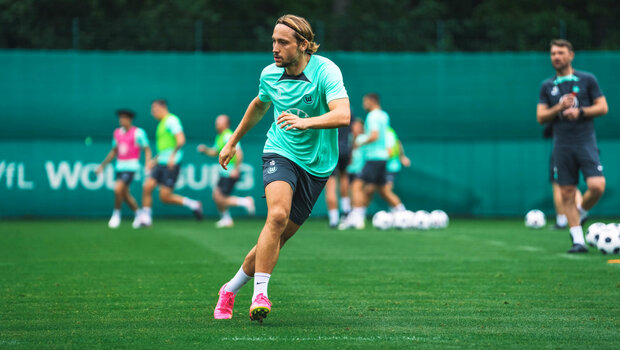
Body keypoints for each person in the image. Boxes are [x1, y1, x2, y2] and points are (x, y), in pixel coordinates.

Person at [212, 14, 350, 322]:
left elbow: (343, 115)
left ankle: (229, 289)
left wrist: (306, 121)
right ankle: (260, 293)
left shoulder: (326, 71)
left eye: (282, 42)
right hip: (280, 151)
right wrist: (232, 142)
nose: (275, 48)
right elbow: (259, 105)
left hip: (317, 165)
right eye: (273, 41)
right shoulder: (269, 74)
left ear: (303, 45)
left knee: (278, 235)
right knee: (276, 216)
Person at [536, 39, 608, 253]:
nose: (556, 57)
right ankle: (578, 240)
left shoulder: (587, 79)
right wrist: (558, 107)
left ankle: (581, 212)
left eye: (560, 53)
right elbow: (541, 116)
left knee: (597, 186)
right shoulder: (547, 86)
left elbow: (603, 107)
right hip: (562, 145)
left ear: (571, 55)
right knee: (566, 192)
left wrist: (581, 111)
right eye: (553, 53)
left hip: (585, 142)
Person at [137, 99, 203, 227]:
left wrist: (172, 157)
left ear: (162, 108)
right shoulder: (161, 124)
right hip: (161, 162)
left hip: (172, 163)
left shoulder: (172, 120)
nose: (152, 112)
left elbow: (181, 140)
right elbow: (164, 149)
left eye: (154, 109)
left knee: (165, 197)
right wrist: (153, 161)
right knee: (147, 186)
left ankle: (194, 204)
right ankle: (146, 218)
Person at [345, 93, 406, 229]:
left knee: (356, 185)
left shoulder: (372, 116)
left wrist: (360, 140)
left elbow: (374, 136)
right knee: (383, 190)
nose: (363, 104)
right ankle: (403, 214)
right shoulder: (384, 115)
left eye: (365, 101)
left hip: (374, 158)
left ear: (372, 101)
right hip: (383, 158)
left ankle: (356, 218)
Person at [96, 109, 151, 229]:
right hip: (119, 167)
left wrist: (147, 164)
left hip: (131, 167)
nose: (121, 120)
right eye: (120, 118)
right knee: (124, 194)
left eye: (124, 118)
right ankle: (138, 214)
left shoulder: (138, 132)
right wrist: (102, 166)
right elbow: (114, 151)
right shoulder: (117, 133)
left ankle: (116, 215)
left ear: (130, 119)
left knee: (117, 189)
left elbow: (146, 148)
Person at [197, 114, 255, 228]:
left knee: (220, 198)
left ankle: (246, 202)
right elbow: (215, 152)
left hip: (230, 171)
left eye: (219, 122)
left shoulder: (228, 135)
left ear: (226, 124)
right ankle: (226, 219)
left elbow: (239, 152)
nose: (216, 124)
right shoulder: (220, 136)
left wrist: (237, 169)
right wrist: (205, 150)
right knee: (216, 196)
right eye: (216, 122)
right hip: (224, 172)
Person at [544, 126, 583, 229]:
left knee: (558, 185)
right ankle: (581, 213)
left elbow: (546, 132)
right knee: (571, 185)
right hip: (581, 148)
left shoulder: (559, 113)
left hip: (562, 151)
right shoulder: (580, 112)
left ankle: (561, 221)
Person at [325, 109, 354, 228]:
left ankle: (333, 220)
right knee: (344, 177)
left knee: (330, 185)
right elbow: (356, 130)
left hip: (331, 151)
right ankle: (346, 210)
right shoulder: (346, 109)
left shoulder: (324, 110)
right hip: (344, 150)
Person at [384, 126, 411, 203]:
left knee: (386, 190)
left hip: (390, 166)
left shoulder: (388, 132)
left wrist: (402, 156)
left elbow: (397, 143)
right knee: (371, 189)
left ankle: (400, 210)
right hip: (383, 166)